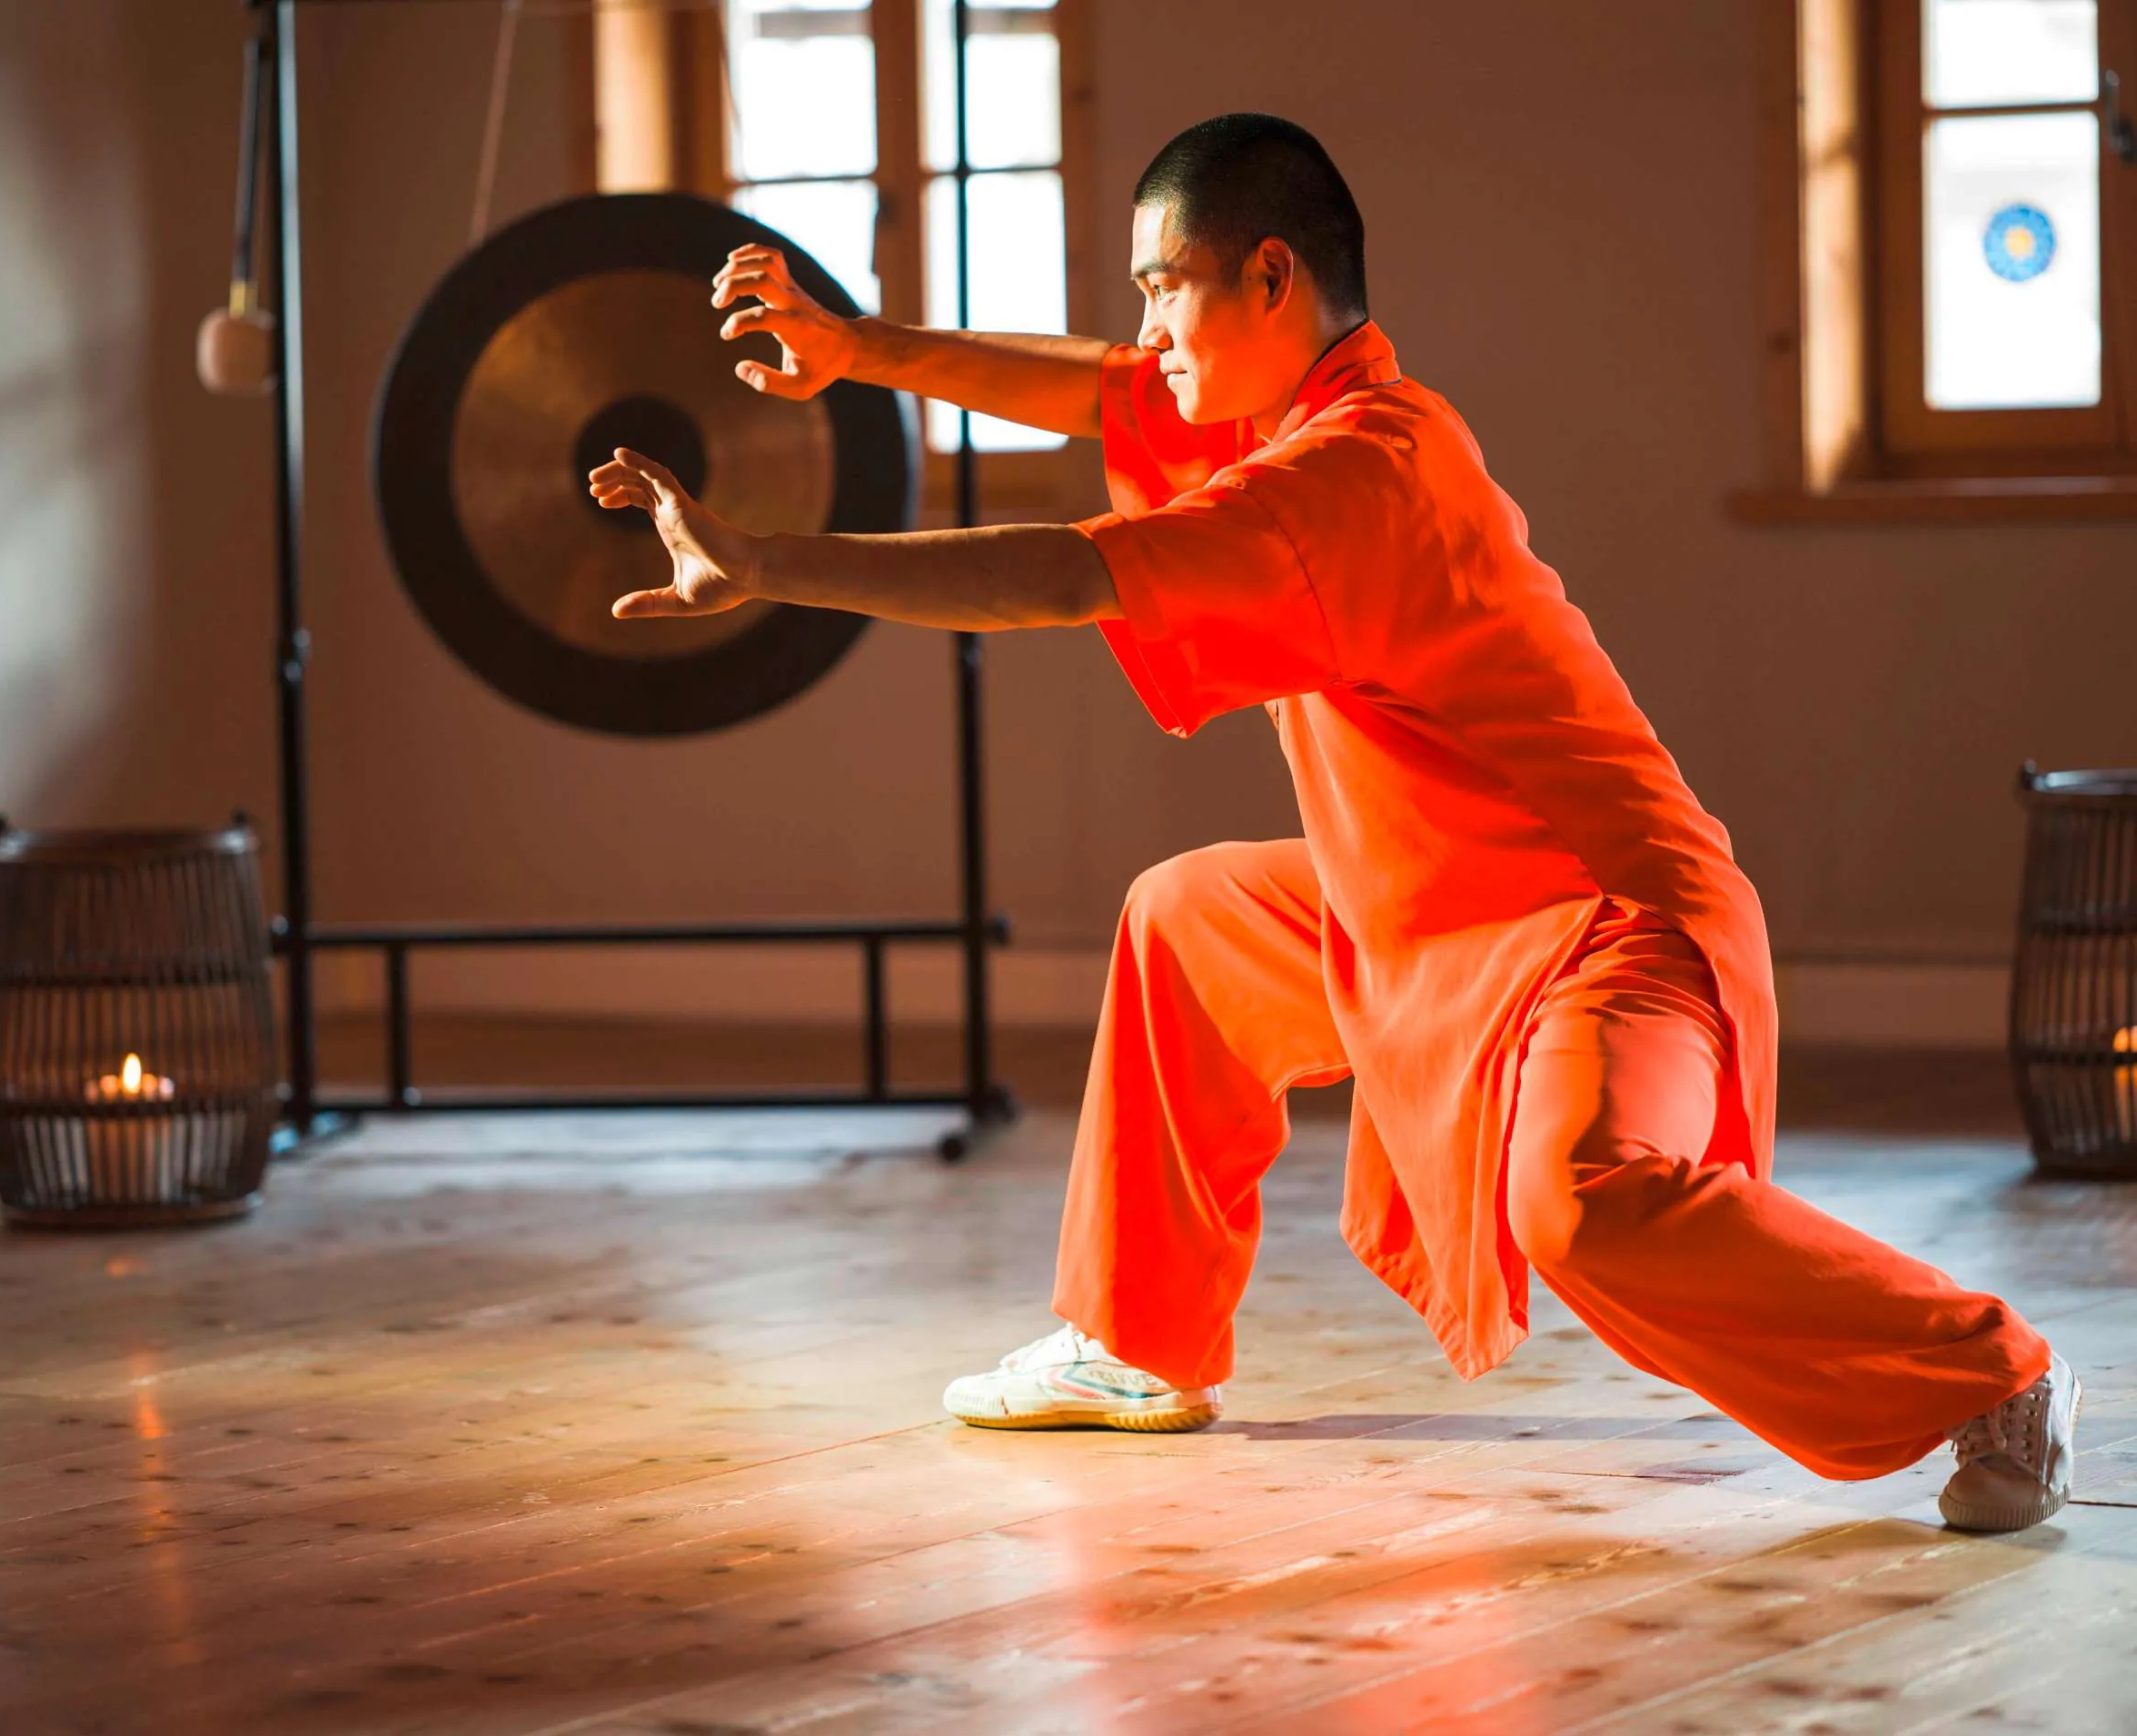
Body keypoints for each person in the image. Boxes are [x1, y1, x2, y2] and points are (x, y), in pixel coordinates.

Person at [589, 113, 2078, 1533]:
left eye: (1166, 287)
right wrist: (863, 353)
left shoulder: (1354, 474)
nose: (1151, 330)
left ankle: (1994, 1374)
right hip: (1425, 902)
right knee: (1187, 921)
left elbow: (1059, 571)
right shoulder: (1288, 414)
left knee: (1581, 1209)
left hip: (1609, 922)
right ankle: (1135, 1341)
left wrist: (769, 562)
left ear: (1271, 275)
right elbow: (1098, 385)